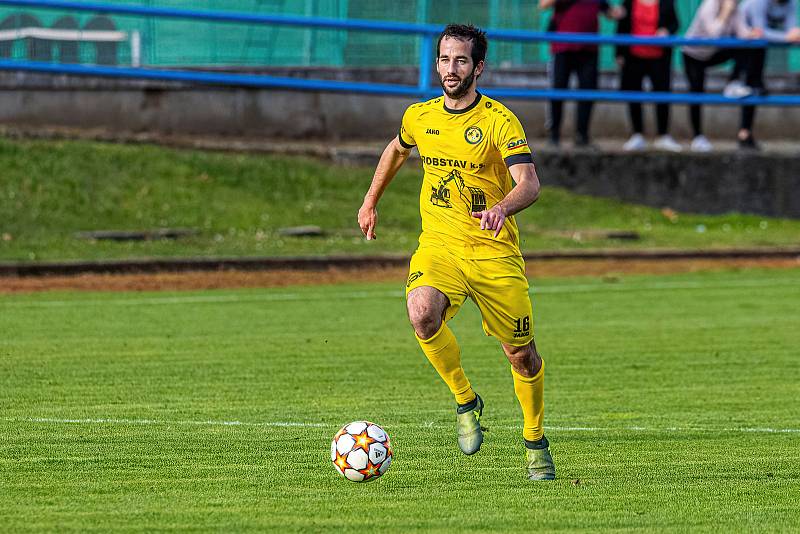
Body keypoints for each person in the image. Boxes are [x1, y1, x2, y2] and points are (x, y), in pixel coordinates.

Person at [357, 24, 555, 481]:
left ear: (478, 67)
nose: (451, 69)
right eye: (445, 60)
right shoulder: (419, 116)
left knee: (521, 354)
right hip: (440, 245)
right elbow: (397, 149)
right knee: (421, 312)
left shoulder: (498, 121)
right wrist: (370, 201)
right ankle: (466, 400)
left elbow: (530, 183)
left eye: (461, 61)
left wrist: (502, 208)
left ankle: (533, 439)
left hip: (492, 252)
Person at [540, 0, 625, 148]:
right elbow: (543, 4)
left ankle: (582, 136)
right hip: (563, 47)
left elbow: (608, 11)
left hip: (589, 48)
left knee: (588, 92)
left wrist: (619, 12)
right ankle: (554, 136)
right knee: (558, 90)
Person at [733, 0, 800, 149]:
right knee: (748, 85)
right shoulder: (759, 2)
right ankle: (744, 133)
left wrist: (792, 36)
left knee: (754, 87)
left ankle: (745, 133)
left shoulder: (791, 3)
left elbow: (791, 32)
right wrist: (787, 37)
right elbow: (760, 31)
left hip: (756, 46)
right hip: (738, 38)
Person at [616, 0, 681, 151]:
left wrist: (666, 31)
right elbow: (622, 26)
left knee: (662, 94)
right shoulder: (630, 2)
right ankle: (637, 135)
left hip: (659, 57)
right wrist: (619, 53)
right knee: (634, 94)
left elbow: (675, 24)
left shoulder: (667, 2)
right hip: (634, 56)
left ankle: (663, 135)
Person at [681, 0, 741, 152]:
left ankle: (733, 82)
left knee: (745, 49)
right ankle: (697, 137)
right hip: (693, 54)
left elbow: (743, 33)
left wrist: (754, 34)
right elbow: (714, 33)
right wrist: (725, 13)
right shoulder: (709, 5)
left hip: (711, 53)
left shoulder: (735, 7)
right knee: (696, 92)